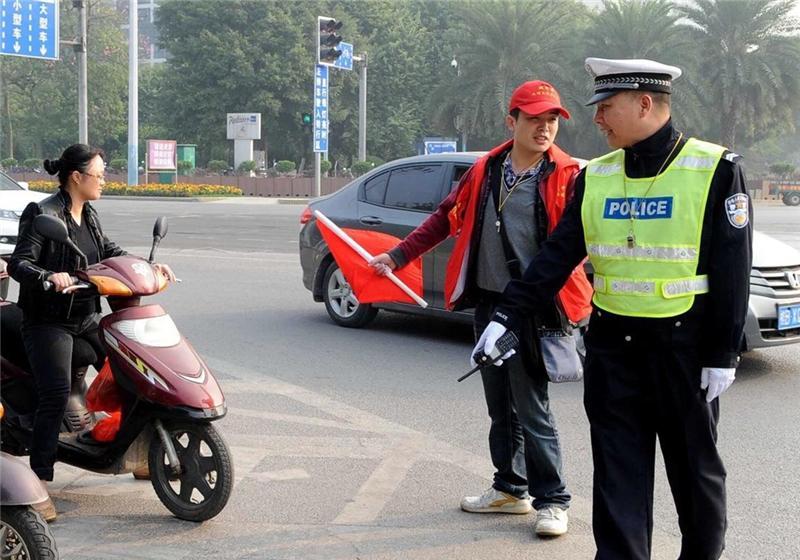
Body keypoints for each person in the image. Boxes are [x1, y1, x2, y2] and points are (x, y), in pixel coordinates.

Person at [474, 58, 752, 559]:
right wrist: (506, 315)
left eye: (606, 108)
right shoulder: (595, 176)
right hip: (614, 353)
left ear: (645, 104)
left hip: (684, 354)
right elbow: (557, 255)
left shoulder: (714, 169)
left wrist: (722, 353)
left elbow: (734, 269)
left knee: (695, 477)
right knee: (617, 479)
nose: (597, 119)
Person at [369, 81, 593, 537]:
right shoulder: (487, 169)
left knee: (533, 407)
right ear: (512, 122)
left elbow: (582, 244)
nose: (545, 127)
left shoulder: (566, 176)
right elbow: (444, 216)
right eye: (534, 119)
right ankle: (510, 489)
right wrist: (397, 256)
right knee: (500, 406)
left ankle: (553, 500)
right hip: (489, 303)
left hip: (532, 306)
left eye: (551, 120)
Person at [7, 144, 176, 520]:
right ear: (77, 177)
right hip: (48, 321)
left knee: (134, 372)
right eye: (99, 174)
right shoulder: (43, 213)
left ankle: (142, 450)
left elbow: (108, 251)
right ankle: (40, 483)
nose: (104, 179)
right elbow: (20, 263)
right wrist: (49, 277)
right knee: (53, 394)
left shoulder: (90, 214)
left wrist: (147, 267)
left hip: (85, 317)